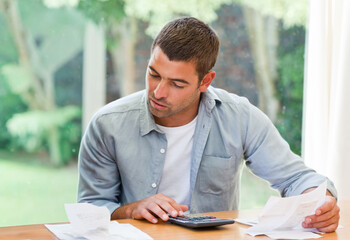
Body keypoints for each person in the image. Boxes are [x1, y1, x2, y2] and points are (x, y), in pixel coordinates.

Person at [78, 17, 340, 232]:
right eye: (153, 74)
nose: (158, 92)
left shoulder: (239, 117)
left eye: (177, 84)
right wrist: (131, 209)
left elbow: (298, 178)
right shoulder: (107, 124)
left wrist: (321, 201)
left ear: (205, 82)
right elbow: (90, 209)